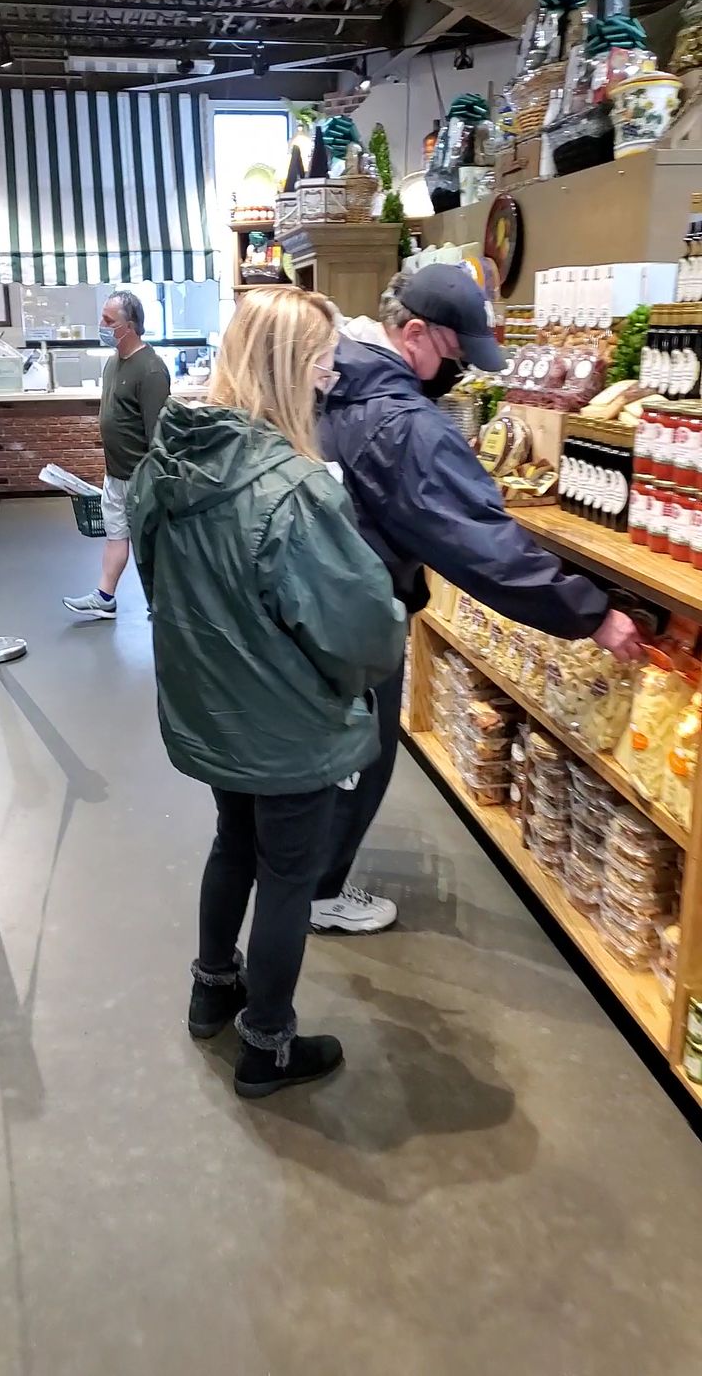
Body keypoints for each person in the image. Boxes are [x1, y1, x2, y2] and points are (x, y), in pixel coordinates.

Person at [128, 286, 407, 1098]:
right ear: (288, 367)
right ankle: (268, 1044)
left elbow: (156, 581)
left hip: (212, 709)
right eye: (322, 363)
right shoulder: (295, 490)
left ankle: (212, 988)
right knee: (289, 876)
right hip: (287, 726)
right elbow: (359, 630)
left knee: (233, 844)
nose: (329, 379)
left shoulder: (165, 464)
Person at [310, 264, 643, 934]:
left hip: (322, 607)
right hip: (363, 620)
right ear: (413, 334)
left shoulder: (331, 383)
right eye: (455, 353)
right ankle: (318, 894)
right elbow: (482, 546)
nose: (457, 371)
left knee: (332, 762)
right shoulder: (405, 424)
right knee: (361, 764)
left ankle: (303, 881)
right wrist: (591, 613)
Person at [63, 290, 170, 621]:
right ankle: (104, 597)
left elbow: (157, 433)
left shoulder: (151, 370)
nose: (102, 325)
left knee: (150, 546)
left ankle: (164, 605)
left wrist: (155, 481)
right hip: (116, 472)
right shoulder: (113, 363)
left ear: (130, 326)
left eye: (109, 321)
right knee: (115, 536)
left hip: (141, 477)